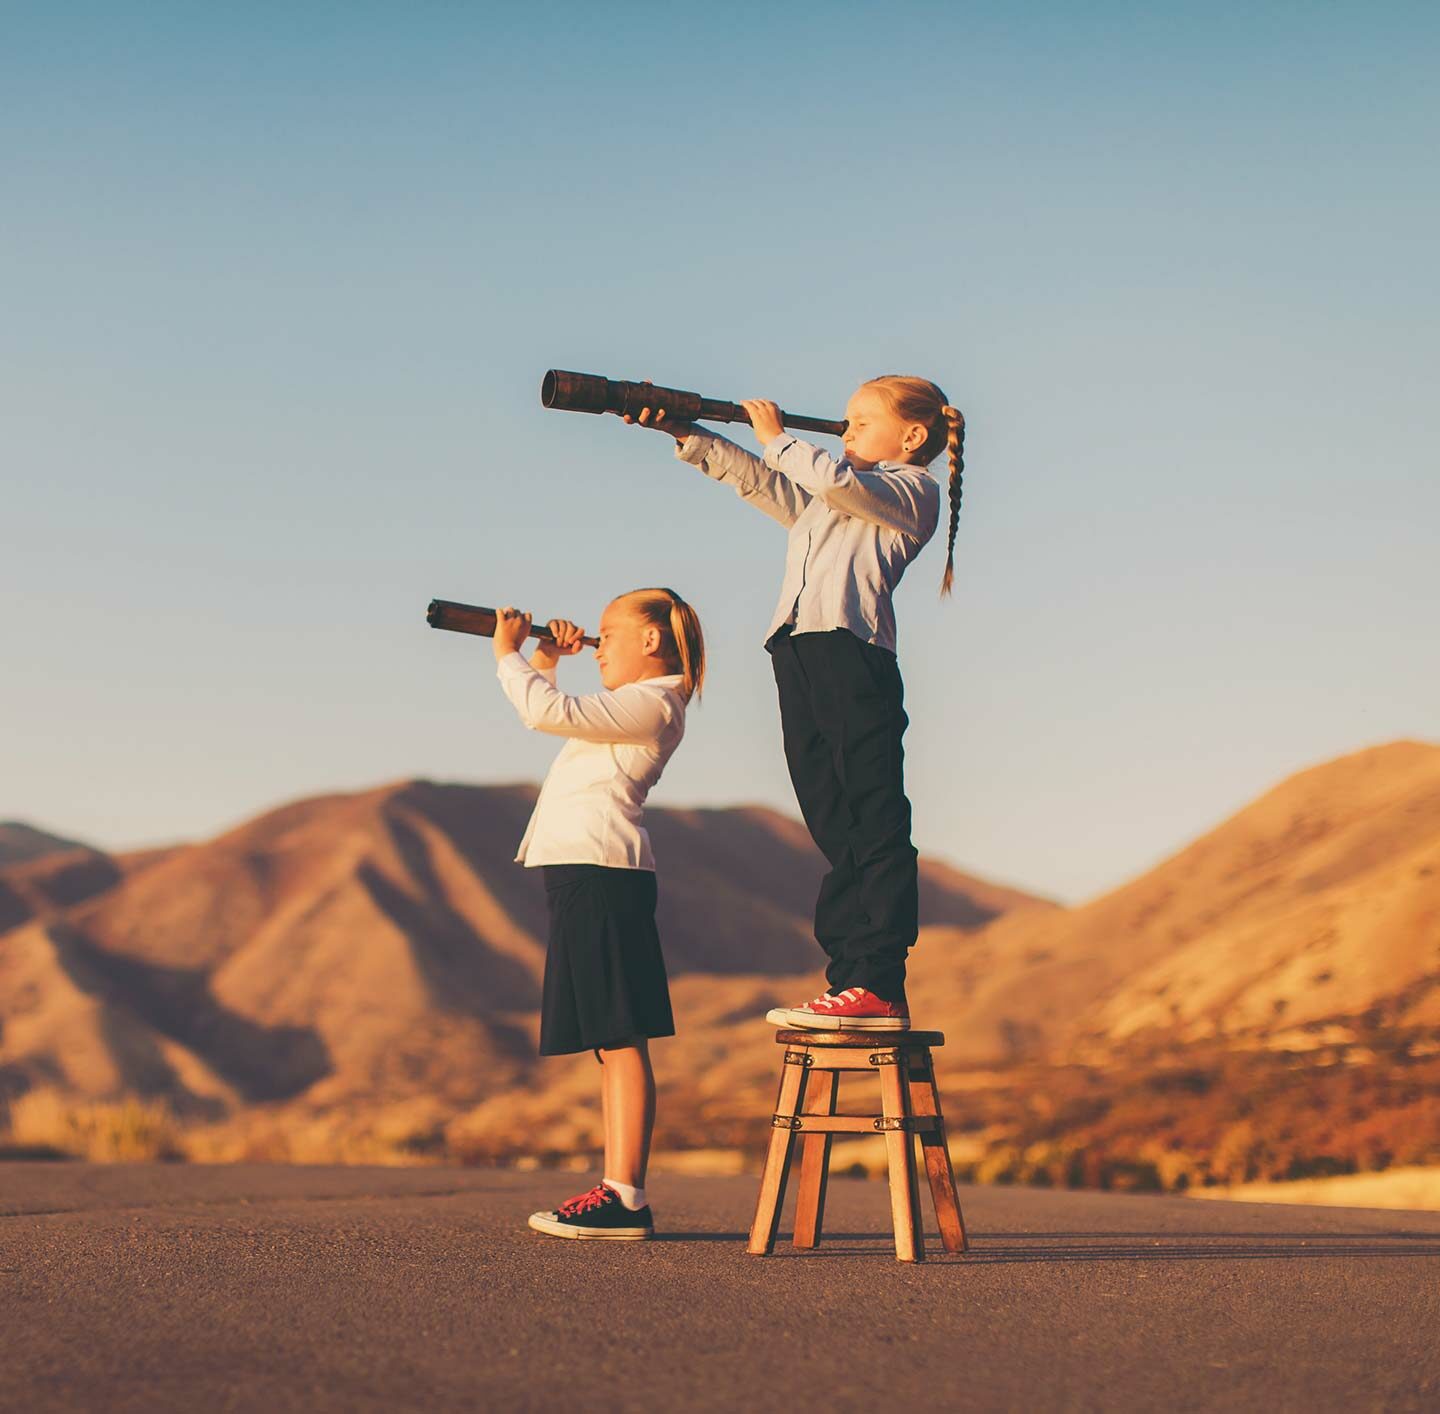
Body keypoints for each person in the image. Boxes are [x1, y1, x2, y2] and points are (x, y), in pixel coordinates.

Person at [625, 377, 964, 1031]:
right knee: (832, 819)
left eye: (861, 420)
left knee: (873, 818)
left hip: (852, 655)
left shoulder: (910, 491)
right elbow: (761, 481)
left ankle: (879, 981)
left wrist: (779, 436)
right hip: (799, 653)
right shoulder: (833, 501)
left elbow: (830, 481)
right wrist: (683, 432)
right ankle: (850, 981)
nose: (845, 430)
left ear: (913, 436)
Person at [490, 588, 705, 1239]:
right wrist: (549, 658)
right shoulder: (631, 704)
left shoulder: (656, 699)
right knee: (610, 1041)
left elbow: (545, 712)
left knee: (621, 1035)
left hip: (603, 872)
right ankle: (619, 1190)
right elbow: (561, 710)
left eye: (609, 633)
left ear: (649, 640)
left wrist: (510, 653)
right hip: (587, 872)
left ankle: (626, 1195)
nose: (598, 644)